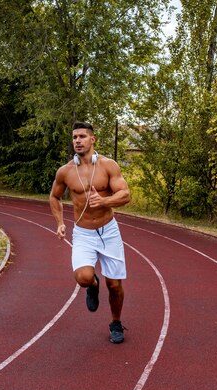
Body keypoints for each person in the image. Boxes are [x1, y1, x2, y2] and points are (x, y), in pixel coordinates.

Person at [49, 121, 131, 344]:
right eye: (75, 137)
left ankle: (115, 322)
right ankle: (93, 286)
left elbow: (125, 195)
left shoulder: (108, 166)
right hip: (83, 233)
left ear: (92, 140)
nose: (78, 140)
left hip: (109, 231)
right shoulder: (65, 171)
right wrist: (59, 222)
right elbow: (54, 197)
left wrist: (104, 200)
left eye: (82, 136)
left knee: (114, 284)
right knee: (83, 278)